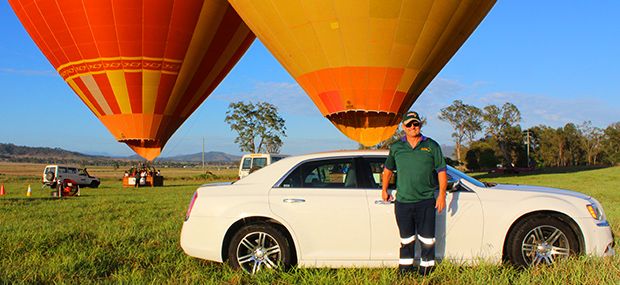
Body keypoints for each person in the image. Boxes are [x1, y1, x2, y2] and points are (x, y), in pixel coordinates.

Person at [381, 111, 447, 276]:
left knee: (427, 240)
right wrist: (384, 190)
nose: (412, 127)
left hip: (425, 201)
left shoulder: (431, 145)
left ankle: (427, 273)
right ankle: (405, 272)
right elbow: (388, 170)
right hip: (403, 202)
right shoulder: (396, 147)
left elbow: (441, 171)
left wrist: (442, 195)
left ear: (420, 125)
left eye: (415, 124)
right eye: (409, 124)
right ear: (403, 127)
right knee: (407, 240)